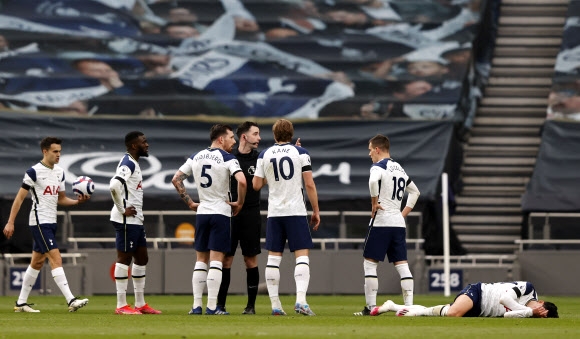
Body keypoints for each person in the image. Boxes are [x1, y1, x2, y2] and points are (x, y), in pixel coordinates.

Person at [3, 137, 89, 313]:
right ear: (45, 151)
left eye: (60, 151)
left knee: (37, 262)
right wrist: (10, 222)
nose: (58, 155)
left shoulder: (60, 172)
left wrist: (77, 202)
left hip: (51, 222)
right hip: (39, 221)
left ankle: (21, 303)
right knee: (56, 258)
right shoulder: (33, 172)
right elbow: (19, 199)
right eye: (55, 151)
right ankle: (71, 300)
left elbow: (61, 199)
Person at [172, 124, 246, 315]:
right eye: (231, 137)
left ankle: (196, 306)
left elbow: (176, 179)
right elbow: (243, 181)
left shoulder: (196, 156)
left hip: (202, 212)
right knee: (216, 261)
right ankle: (212, 306)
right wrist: (239, 203)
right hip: (221, 212)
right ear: (221, 139)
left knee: (200, 260)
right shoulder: (228, 158)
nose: (234, 141)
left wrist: (189, 202)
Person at [252, 118, 320, 316]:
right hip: (296, 211)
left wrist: (270, 174)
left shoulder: (265, 155)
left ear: (274, 135)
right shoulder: (301, 153)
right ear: (291, 134)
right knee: (302, 257)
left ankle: (275, 305)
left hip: (275, 213)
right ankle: (301, 301)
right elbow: (309, 184)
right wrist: (315, 210)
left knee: (273, 259)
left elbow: (256, 185)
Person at [354, 134, 420, 316]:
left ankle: (370, 308)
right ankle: (409, 307)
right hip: (398, 224)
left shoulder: (378, 166)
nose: (369, 154)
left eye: (370, 150)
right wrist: (402, 214)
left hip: (381, 222)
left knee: (370, 264)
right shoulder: (399, 168)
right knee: (402, 265)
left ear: (377, 149)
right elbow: (415, 192)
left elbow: (373, 181)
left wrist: (374, 202)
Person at [109, 131, 161, 315]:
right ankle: (121, 305)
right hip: (125, 219)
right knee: (124, 259)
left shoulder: (134, 162)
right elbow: (114, 185)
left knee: (142, 258)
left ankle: (140, 304)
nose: (147, 145)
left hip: (135, 220)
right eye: (143, 142)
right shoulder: (128, 162)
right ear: (133, 146)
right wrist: (123, 208)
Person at [216, 121, 262, 315]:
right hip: (229, 213)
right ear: (245, 136)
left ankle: (251, 306)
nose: (259, 138)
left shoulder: (261, 158)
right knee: (226, 260)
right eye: (256, 134)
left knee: (250, 260)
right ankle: (220, 306)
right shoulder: (228, 158)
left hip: (251, 213)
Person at [373, 281, 559, 318]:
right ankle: (411, 313)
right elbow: (504, 298)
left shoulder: (528, 315)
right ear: (541, 302)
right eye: (538, 309)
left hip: (481, 312)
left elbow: (506, 317)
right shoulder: (528, 288)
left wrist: (529, 314)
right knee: (454, 313)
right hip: (479, 292)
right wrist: (528, 311)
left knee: (447, 311)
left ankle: (392, 305)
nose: (535, 312)